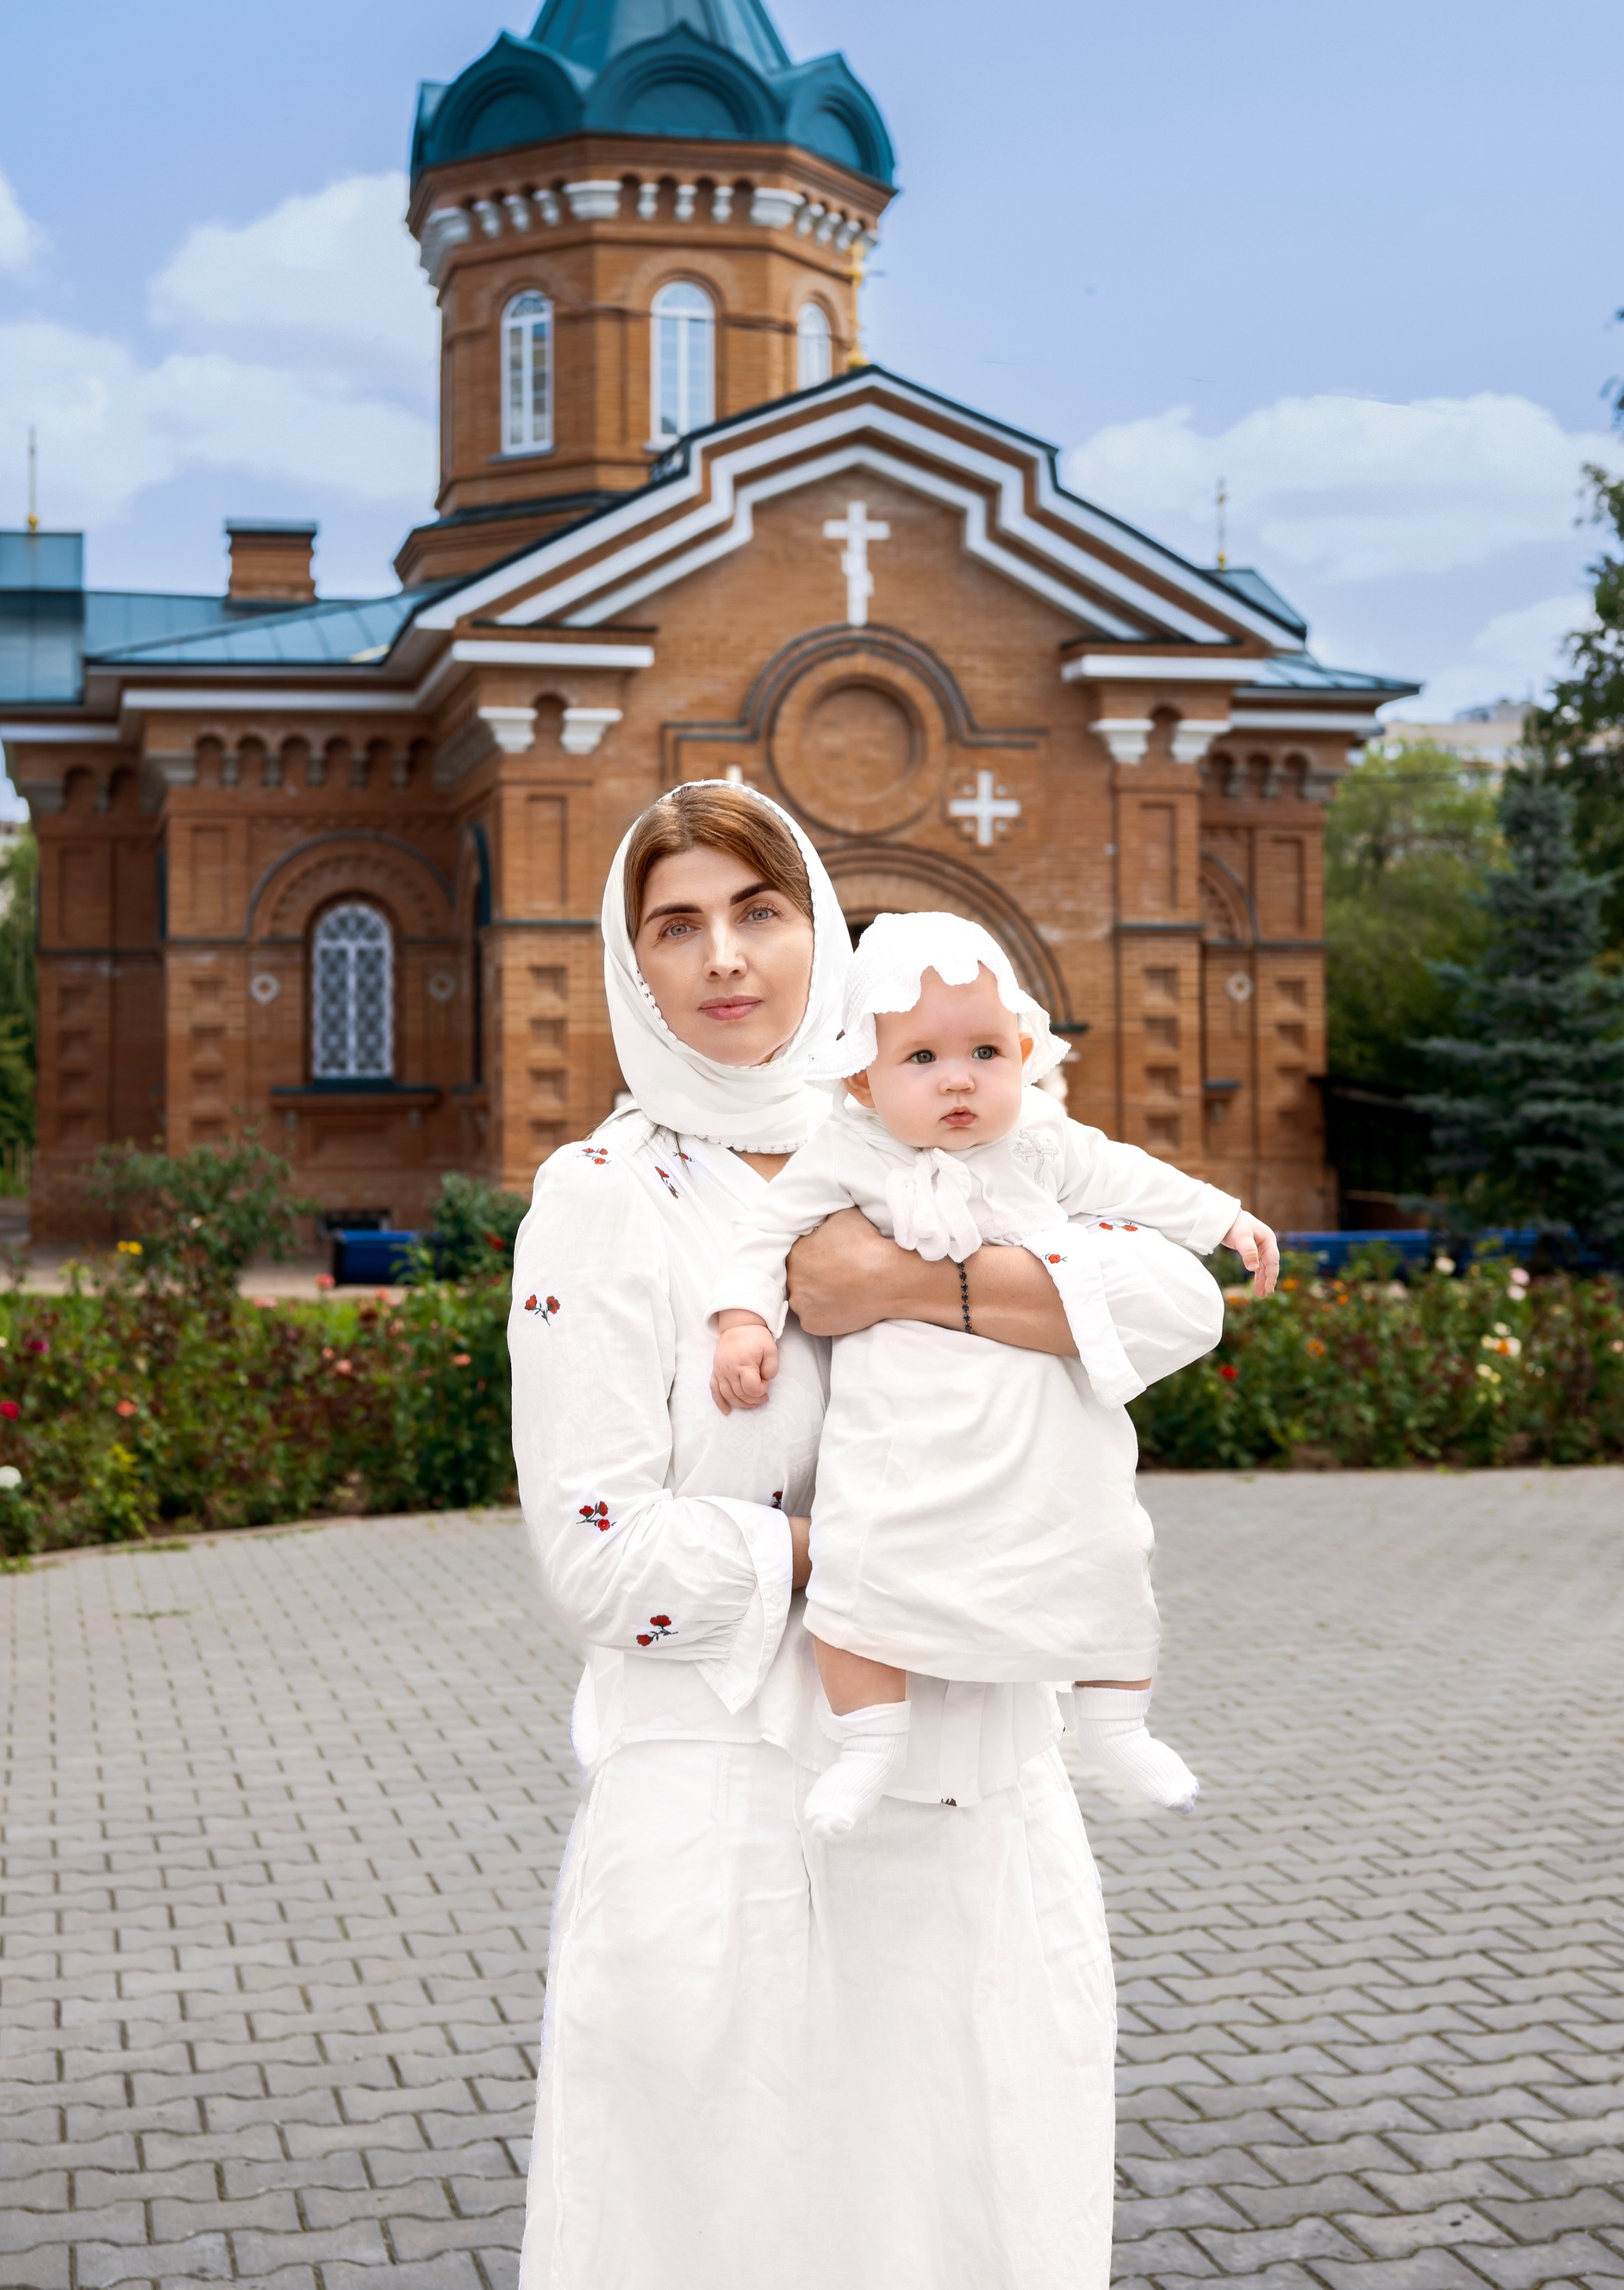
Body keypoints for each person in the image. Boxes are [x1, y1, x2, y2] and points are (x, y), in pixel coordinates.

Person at [508, 781, 1278, 2290]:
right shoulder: (607, 1197)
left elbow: (1184, 1300)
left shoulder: (936, 1121)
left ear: (821, 936)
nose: (726, 959)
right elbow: (595, 1555)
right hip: (734, 1817)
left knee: (967, 2226)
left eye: (761, 911)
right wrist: (855, 1553)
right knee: (727, 2234)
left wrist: (898, 1287)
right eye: (678, 926)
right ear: (633, 962)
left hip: (977, 1797)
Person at [709, 909, 1241, 1836]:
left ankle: (1116, 1726)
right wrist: (744, 1321)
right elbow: (763, 1234)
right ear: (864, 1081)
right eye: (921, 1058)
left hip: (1047, 1426)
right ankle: (868, 1743)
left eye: (986, 1051)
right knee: (858, 1572)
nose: (958, 1077)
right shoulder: (845, 1153)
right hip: (901, 1428)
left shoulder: (1039, 1141)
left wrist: (1224, 1221)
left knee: (1109, 1551)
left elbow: (1134, 1177)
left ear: (1024, 1053)